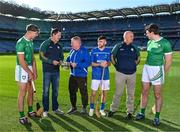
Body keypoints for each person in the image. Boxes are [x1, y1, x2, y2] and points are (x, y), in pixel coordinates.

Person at [135, 24, 173, 126]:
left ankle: (157, 117)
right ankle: (141, 113)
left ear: (152, 32)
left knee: (157, 94)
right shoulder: (149, 42)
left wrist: (162, 73)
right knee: (144, 91)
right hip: (147, 68)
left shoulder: (165, 43)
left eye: (147, 33)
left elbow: (168, 61)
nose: (146, 34)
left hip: (157, 70)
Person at [108, 31, 140, 120]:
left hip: (132, 74)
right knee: (118, 93)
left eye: (133, 36)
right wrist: (117, 66)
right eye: (131, 36)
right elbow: (112, 57)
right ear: (125, 37)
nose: (133, 37)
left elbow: (138, 58)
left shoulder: (135, 47)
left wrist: (133, 66)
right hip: (120, 73)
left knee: (131, 94)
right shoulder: (118, 46)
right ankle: (113, 109)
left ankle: (129, 112)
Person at [15, 24, 39, 125]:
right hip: (22, 68)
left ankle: (30, 111)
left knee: (31, 91)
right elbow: (21, 61)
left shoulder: (31, 42)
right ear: (30, 32)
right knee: (23, 92)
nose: (37, 35)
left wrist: (34, 71)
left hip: (29, 67)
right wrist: (29, 72)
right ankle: (21, 116)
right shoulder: (20, 43)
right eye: (36, 33)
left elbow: (33, 58)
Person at [39, 28, 64, 117]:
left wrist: (61, 61)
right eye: (58, 35)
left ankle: (55, 108)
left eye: (60, 36)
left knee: (55, 91)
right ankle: (45, 110)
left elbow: (61, 56)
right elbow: (41, 57)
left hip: (56, 72)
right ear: (53, 34)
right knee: (45, 91)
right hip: (47, 72)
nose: (60, 37)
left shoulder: (59, 45)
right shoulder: (45, 44)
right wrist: (51, 61)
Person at [66, 36, 91, 114]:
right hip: (72, 75)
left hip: (82, 75)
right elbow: (68, 59)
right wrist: (66, 63)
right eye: (71, 42)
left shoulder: (84, 51)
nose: (71, 44)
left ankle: (84, 107)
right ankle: (73, 107)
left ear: (78, 43)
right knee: (72, 91)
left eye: (72, 42)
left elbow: (88, 63)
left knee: (83, 92)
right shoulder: (72, 51)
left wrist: (77, 65)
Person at [89, 36, 111, 117]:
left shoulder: (108, 51)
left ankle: (102, 109)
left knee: (104, 93)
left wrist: (106, 64)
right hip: (96, 76)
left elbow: (109, 63)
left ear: (105, 42)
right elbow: (91, 63)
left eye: (101, 41)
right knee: (93, 93)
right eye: (98, 41)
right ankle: (91, 109)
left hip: (105, 76)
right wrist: (99, 64)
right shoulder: (94, 51)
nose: (99, 43)